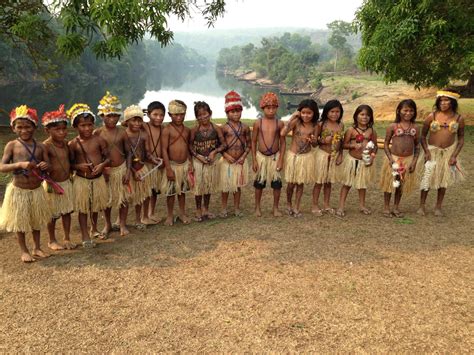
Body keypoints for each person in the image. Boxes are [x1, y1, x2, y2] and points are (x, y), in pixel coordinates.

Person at [0, 105, 52, 262]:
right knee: (20, 222)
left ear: (34, 127)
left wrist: (45, 166)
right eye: (20, 127)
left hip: (36, 190)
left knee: (37, 221)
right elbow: (2, 167)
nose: (24, 130)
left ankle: (37, 247)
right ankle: (24, 250)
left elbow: (48, 166)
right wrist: (19, 165)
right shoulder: (12, 146)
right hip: (19, 191)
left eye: (28, 126)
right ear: (13, 128)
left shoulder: (41, 146)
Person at [67, 103, 110, 248]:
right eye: (83, 125)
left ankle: (94, 228)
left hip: (97, 179)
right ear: (75, 127)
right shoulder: (73, 144)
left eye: (90, 125)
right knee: (84, 208)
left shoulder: (99, 140)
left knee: (95, 206)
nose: (87, 128)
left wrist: (102, 165)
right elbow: (70, 164)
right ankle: (85, 235)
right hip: (82, 180)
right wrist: (78, 166)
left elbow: (108, 158)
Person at [418, 89, 465, 216]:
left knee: (443, 181)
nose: (443, 103)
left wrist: (454, 155)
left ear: (453, 102)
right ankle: (422, 205)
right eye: (441, 101)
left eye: (446, 100)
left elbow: (461, 139)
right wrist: (427, 151)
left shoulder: (459, 119)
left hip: (448, 153)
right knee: (427, 177)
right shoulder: (431, 116)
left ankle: (438, 206)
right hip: (432, 152)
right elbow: (422, 136)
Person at [94, 92, 131, 237]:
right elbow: (96, 155)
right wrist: (103, 170)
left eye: (115, 115)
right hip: (106, 172)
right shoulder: (97, 133)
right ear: (102, 116)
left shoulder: (122, 132)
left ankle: (122, 223)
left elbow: (128, 153)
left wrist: (128, 171)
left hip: (121, 169)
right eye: (108, 115)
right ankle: (108, 224)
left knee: (123, 198)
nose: (112, 119)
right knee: (107, 200)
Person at [42, 105, 76, 250]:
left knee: (67, 211)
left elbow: (71, 161)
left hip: (66, 182)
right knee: (53, 214)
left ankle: (67, 238)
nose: (62, 132)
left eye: (64, 129)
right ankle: (52, 240)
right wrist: (46, 167)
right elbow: (44, 167)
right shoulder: (45, 146)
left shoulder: (67, 144)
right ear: (47, 130)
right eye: (57, 129)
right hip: (52, 184)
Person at [122, 105, 161, 230]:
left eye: (139, 120)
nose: (137, 123)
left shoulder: (143, 135)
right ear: (127, 121)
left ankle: (139, 220)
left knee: (141, 196)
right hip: (127, 170)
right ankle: (121, 222)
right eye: (134, 120)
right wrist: (131, 171)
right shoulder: (123, 135)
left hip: (141, 169)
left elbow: (147, 152)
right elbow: (123, 156)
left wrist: (153, 159)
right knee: (126, 197)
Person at [379, 99, 420, 217]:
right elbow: (386, 143)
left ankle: (396, 207)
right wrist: (390, 159)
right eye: (405, 110)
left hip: (408, 159)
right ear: (399, 111)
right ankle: (386, 207)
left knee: (401, 184)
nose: (408, 113)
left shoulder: (416, 128)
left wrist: (414, 161)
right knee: (390, 183)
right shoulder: (393, 126)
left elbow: (417, 146)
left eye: (411, 110)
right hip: (394, 158)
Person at [336, 104, 378, 218]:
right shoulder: (351, 130)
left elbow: (375, 146)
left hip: (365, 161)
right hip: (352, 160)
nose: (365, 117)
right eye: (362, 114)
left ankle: (362, 205)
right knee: (347, 183)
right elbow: (343, 145)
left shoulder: (371, 131)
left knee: (362, 184)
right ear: (356, 116)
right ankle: (341, 206)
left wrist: (372, 156)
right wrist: (352, 146)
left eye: (368, 115)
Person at [281, 99, 319, 217]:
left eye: (309, 113)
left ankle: (297, 206)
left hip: (306, 158)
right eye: (303, 112)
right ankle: (288, 204)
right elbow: (283, 133)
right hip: (294, 157)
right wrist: (292, 117)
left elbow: (315, 144)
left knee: (300, 183)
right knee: (291, 183)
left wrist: (313, 141)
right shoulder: (296, 122)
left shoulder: (315, 126)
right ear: (299, 112)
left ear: (314, 113)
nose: (306, 115)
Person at [189, 101, 225, 221]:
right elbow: (189, 146)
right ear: (196, 117)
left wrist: (214, 152)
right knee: (199, 186)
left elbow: (223, 144)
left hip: (210, 162)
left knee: (208, 185)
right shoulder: (194, 130)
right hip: (198, 162)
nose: (203, 117)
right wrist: (197, 156)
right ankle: (198, 209)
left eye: (205, 115)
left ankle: (206, 209)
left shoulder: (216, 128)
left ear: (210, 114)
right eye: (200, 115)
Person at [251, 92, 286, 217]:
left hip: (274, 158)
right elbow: (253, 141)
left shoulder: (280, 123)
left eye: (273, 107)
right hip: (261, 158)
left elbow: (282, 143)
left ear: (277, 108)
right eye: (268, 108)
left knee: (277, 184)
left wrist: (281, 160)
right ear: (263, 108)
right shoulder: (258, 123)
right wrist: (254, 160)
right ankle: (257, 207)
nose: (271, 110)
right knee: (259, 184)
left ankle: (275, 208)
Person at [219, 91, 251, 217]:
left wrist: (243, 157)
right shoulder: (224, 128)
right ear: (227, 113)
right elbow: (219, 146)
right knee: (226, 186)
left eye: (238, 111)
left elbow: (249, 145)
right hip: (227, 161)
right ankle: (223, 209)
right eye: (233, 111)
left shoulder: (245, 128)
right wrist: (226, 156)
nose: (236, 114)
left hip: (240, 162)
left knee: (237, 186)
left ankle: (237, 208)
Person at [161, 100, 193, 225]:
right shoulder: (167, 130)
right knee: (171, 192)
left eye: (182, 114)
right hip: (172, 166)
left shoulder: (187, 130)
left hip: (184, 165)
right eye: (176, 115)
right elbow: (164, 149)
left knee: (182, 192)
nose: (179, 117)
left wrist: (190, 162)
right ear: (170, 115)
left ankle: (182, 213)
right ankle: (169, 215)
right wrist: (168, 168)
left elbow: (188, 147)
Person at [312, 100, 344, 216]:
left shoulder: (340, 125)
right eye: (332, 111)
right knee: (319, 181)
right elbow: (314, 143)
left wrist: (340, 155)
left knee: (329, 182)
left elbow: (341, 142)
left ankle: (326, 205)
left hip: (334, 156)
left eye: (337, 111)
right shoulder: (321, 124)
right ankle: (315, 205)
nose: (335, 114)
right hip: (322, 155)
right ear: (326, 112)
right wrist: (323, 140)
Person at [143, 101, 166, 223]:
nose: (158, 118)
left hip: (158, 164)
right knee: (146, 190)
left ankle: (151, 213)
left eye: (161, 115)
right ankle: (144, 215)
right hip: (146, 164)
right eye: (155, 114)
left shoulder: (164, 128)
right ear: (148, 114)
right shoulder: (143, 126)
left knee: (154, 191)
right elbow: (126, 122)